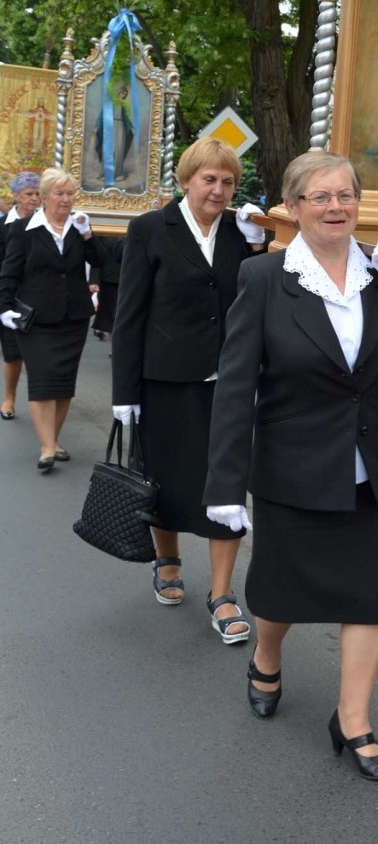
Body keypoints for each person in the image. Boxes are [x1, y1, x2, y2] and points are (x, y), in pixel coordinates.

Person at [203, 152, 378, 781]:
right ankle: (266, 653)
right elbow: (236, 387)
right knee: (283, 591)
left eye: (346, 195)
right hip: (296, 467)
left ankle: (353, 719)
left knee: (372, 599)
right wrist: (225, 483)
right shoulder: (264, 279)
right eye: (320, 197)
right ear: (292, 208)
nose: (336, 207)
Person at [111, 137, 266, 643]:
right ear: (186, 180)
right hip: (165, 383)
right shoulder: (150, 230)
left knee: (227, 488)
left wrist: (261, 242)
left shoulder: (241, 236)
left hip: (228, 385)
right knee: (165, 480)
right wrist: (124, 392)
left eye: (227, 182)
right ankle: (168, 559)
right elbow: (129, 315)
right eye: (210, 180)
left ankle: (222, 594)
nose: (219, 190)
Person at [0, 169, 104, 471]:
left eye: (70, 194)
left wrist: (87, 234)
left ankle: (54, 440)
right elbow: (10, 271)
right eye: (59, 194)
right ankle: (46, 447)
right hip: (36, 319)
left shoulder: (77, 227)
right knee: (43, 380)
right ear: (43, 198)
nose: (66, 199)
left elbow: (100, 261)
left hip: (73, 319)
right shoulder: (22, 230)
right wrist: (4, 307)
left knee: (63, 384)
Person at [0, 171, 42, 418]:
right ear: (16, 196)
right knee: (13, 352)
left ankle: (41, 400)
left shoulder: (44, 223)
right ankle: (9, 397)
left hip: (36, 293)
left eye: (38, 194)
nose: (34, 199)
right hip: (9, 293)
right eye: (29, 194)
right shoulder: (4, 225)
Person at [89, 235, 125, 340]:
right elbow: (96, 258)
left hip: (129, 277)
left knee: (120, 313)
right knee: (111, 313)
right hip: (108, 279)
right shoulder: (105, 229)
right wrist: (94, 280)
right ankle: (114, 344)